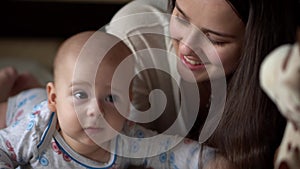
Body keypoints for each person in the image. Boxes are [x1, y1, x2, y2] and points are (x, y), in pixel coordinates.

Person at [105, 0, 299, 168]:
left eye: (213, 39)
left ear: (255, 45)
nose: (186, 48)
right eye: (181, 18)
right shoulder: (133, 43)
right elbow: (124, 154)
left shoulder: (286, 73)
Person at [0, 31, 213, 169]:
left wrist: (211, 161)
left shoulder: (127, 138)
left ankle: (31, 85)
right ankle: (14, 87)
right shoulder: (37, 130)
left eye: (111, 98)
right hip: (25, 107)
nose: (96, 111)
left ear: (128, 104)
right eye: (80, 94)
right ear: (54, 98)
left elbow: (169, 150)